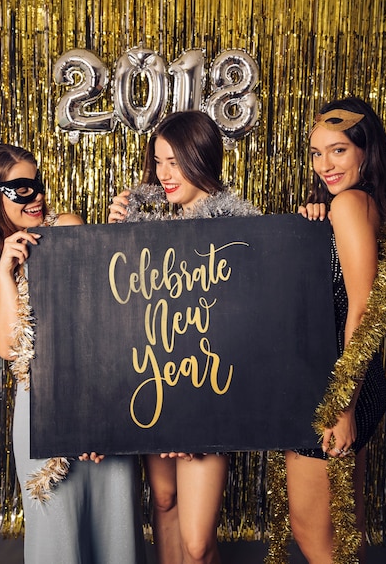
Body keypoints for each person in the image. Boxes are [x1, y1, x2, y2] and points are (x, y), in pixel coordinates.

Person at [0, 144, 147, 564]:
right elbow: (6, 346)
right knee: (56, 537)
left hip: (101, 395)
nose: (36, 196)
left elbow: (107, 316)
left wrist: (116, 239)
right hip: (40, 407)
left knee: (115, 532)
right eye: (21, 188)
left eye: (38, 184)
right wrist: (6, 273)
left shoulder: (67, 227)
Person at [108, 110, 261, 564]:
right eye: (158, 162)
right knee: (164, 502)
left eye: (175, 161)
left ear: (202, 157)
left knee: (197, 543)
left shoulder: (239, 230)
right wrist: (116, 238)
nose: (164, 175)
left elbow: (243, 330)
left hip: (206, 393)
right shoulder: (153, 225)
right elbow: (127, 309)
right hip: (156, 383)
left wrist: (191, 412)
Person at [286, 97, 386, 563]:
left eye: (338, 150)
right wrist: (314, 231)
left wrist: (341, 405)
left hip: (336, 388)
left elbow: (363, 306)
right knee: (346, 534)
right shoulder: (359, 204)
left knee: (315, 537)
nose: (324, 164)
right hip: (354, 380)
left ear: (365, 152)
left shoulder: (349, 203)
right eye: (316, 152)